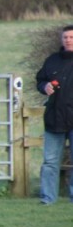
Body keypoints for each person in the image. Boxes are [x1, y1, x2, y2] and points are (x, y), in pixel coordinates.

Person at [35, 24, 73, 205]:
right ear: (61, 40)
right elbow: (40, 80)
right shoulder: (52, 61)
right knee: (50, 161)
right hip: (54, 118)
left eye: (71, 37)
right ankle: (47, 198)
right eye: (65, 37)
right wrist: (45, 86)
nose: (68, 40)